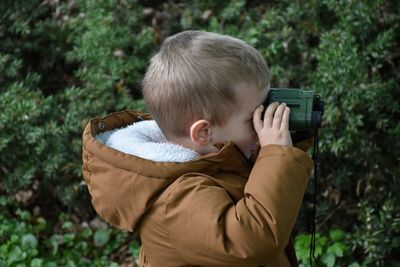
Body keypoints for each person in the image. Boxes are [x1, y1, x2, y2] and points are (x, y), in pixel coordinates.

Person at [82, 30, 313, 267]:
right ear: (203, 132)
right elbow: (251, 238)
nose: (261, 123)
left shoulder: (213, 155)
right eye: (251, 118)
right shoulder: (177, 199)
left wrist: (292, 138)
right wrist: (276, 156)